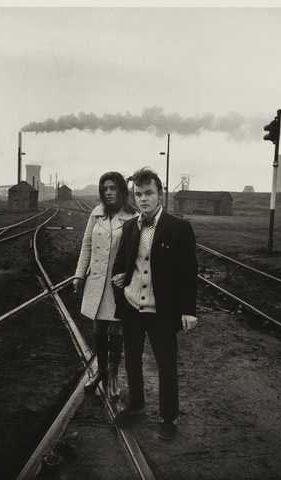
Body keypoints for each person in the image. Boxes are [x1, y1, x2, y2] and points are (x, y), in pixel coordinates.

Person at [112, 167, 198, 441]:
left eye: (149, 193)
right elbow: (123, 261)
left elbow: (188, 272)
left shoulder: (179, 228)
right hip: (132, 307)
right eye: (138, 194)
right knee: (132, 361)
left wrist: (188, 310)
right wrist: (120, 281)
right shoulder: (129, 226)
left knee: (166, 365)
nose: (143, 199)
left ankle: (168, 417)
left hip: (162, 312)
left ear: (160, 194)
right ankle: (136, 405)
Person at [73, 172, 137, 398]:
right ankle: (100, 371)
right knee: (99, 329)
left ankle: (113, 375)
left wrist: (128, 277)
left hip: (119, 285)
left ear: (122, 191)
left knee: (117, 330)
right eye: (104, 189)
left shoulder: (132, 217)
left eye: (113, 188)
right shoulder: (96, 214)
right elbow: (86, 246)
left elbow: (138, 255)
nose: (108, 192)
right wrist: (79, 275)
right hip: (96, 281)